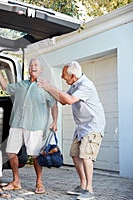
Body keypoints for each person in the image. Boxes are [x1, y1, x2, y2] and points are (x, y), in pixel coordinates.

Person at [37, 61, 105, 200]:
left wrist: (50, 86)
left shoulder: (86, 85)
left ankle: (89, 190)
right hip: (81, 127)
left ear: (72, 76)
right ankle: (83, 185)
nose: (62, 77)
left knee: (86, 156)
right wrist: (48, 89)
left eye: (64, 75)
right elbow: (62, 100)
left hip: (93, 126)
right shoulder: (75, 85)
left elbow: (69, 100)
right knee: (75, 154)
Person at [0, 58, 58, 194]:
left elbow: (54, 105)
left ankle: (39, 182)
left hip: (35, 125)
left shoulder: (46, 86)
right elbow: (6, 88)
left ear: (41, 69)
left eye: (36, 65)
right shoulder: (21, 85)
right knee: (10, 151)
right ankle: (16, 181)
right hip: (17, 123)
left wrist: (55, 121)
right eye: (31, 65)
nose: (33, 67)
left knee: (35, 155)